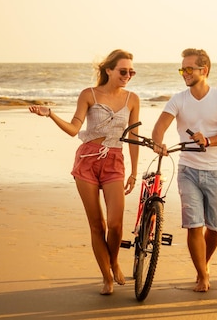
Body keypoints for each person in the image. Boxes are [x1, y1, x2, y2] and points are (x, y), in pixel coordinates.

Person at [29, 49, 140, 295]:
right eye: (123, 71)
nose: (128, 75)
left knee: (116, 224)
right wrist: (51, 115)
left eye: (131, 71)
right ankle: (106, 278)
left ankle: (114, 262)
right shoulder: (88, 94)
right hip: (87, 161)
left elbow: (132, 137)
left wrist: (134, 172)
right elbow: (73, 129)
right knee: (97, 225)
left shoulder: (133, 98)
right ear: (108, 70)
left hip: (114, 161)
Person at [151, 48, 217, 292]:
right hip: (188, 169)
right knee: (193, 224)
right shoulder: (178, 99)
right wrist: (159, 143)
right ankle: (202, 274)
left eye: (189, 69)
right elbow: (160, 127)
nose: (184, 73)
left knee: (215, 228)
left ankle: (203, 264)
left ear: (204, 70)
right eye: (182, 69)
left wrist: (208, 141)